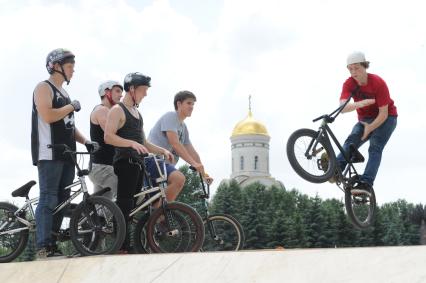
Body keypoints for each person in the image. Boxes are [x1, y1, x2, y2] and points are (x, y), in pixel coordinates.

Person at [31, 48, 98, 258]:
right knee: (49, 197)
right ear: (56, 66)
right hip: (49, 152)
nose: (73, 71)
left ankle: (52, 244)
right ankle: (43, 246)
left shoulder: (65, 94)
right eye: (70, 66)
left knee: (63, 200)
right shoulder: (44, 87)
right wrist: (70, 106)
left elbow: (69, 126)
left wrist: (86, 141)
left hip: (68, 153)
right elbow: (48, 116)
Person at [104, 72, 174, 252]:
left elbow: (143, 142)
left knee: (132, 207)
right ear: (132, 89)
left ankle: (126, 242)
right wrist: (131, 143)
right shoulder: (117, 110)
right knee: (125, 204)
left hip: (138, 163)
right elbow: (108, 137)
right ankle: (121, 246)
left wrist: (162, 150)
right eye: (143, 90)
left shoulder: (137, 113)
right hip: (125, 162)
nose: (146, 94)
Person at [335, 51, 397, 195]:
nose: (353, 72)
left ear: (365, 66)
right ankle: (336, 169)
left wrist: (370, 128)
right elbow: (342, 108)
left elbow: (384, 113)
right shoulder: (349, 83)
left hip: (387, 118)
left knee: (375, 147)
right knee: (351, 140)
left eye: (357, 68)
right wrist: (361, 103)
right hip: (365, 119)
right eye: (350, 69)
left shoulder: (378, 83)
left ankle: (366, 183)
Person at [146, 90, 213, 203]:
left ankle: (157, 217)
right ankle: (159, 214)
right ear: (179, 104)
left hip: (163, 167)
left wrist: (203, 174)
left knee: (158, 205)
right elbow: (175, 143)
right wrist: (194, 164)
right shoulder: (171, 116)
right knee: (179, 179)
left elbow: (192, 151)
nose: (192, 107)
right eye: (189, 103)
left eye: (193, 104)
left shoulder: (183, 127)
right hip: (153, 161)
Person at [88, 80, 123, 200]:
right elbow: (113, 136)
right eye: (117, 91)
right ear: (106, 92)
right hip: (102, 167)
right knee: (126, 194)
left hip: (104, 166)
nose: (121, 95)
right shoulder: (102, 110)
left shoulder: (108, 112)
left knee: (103, 212)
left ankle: (87, 218)